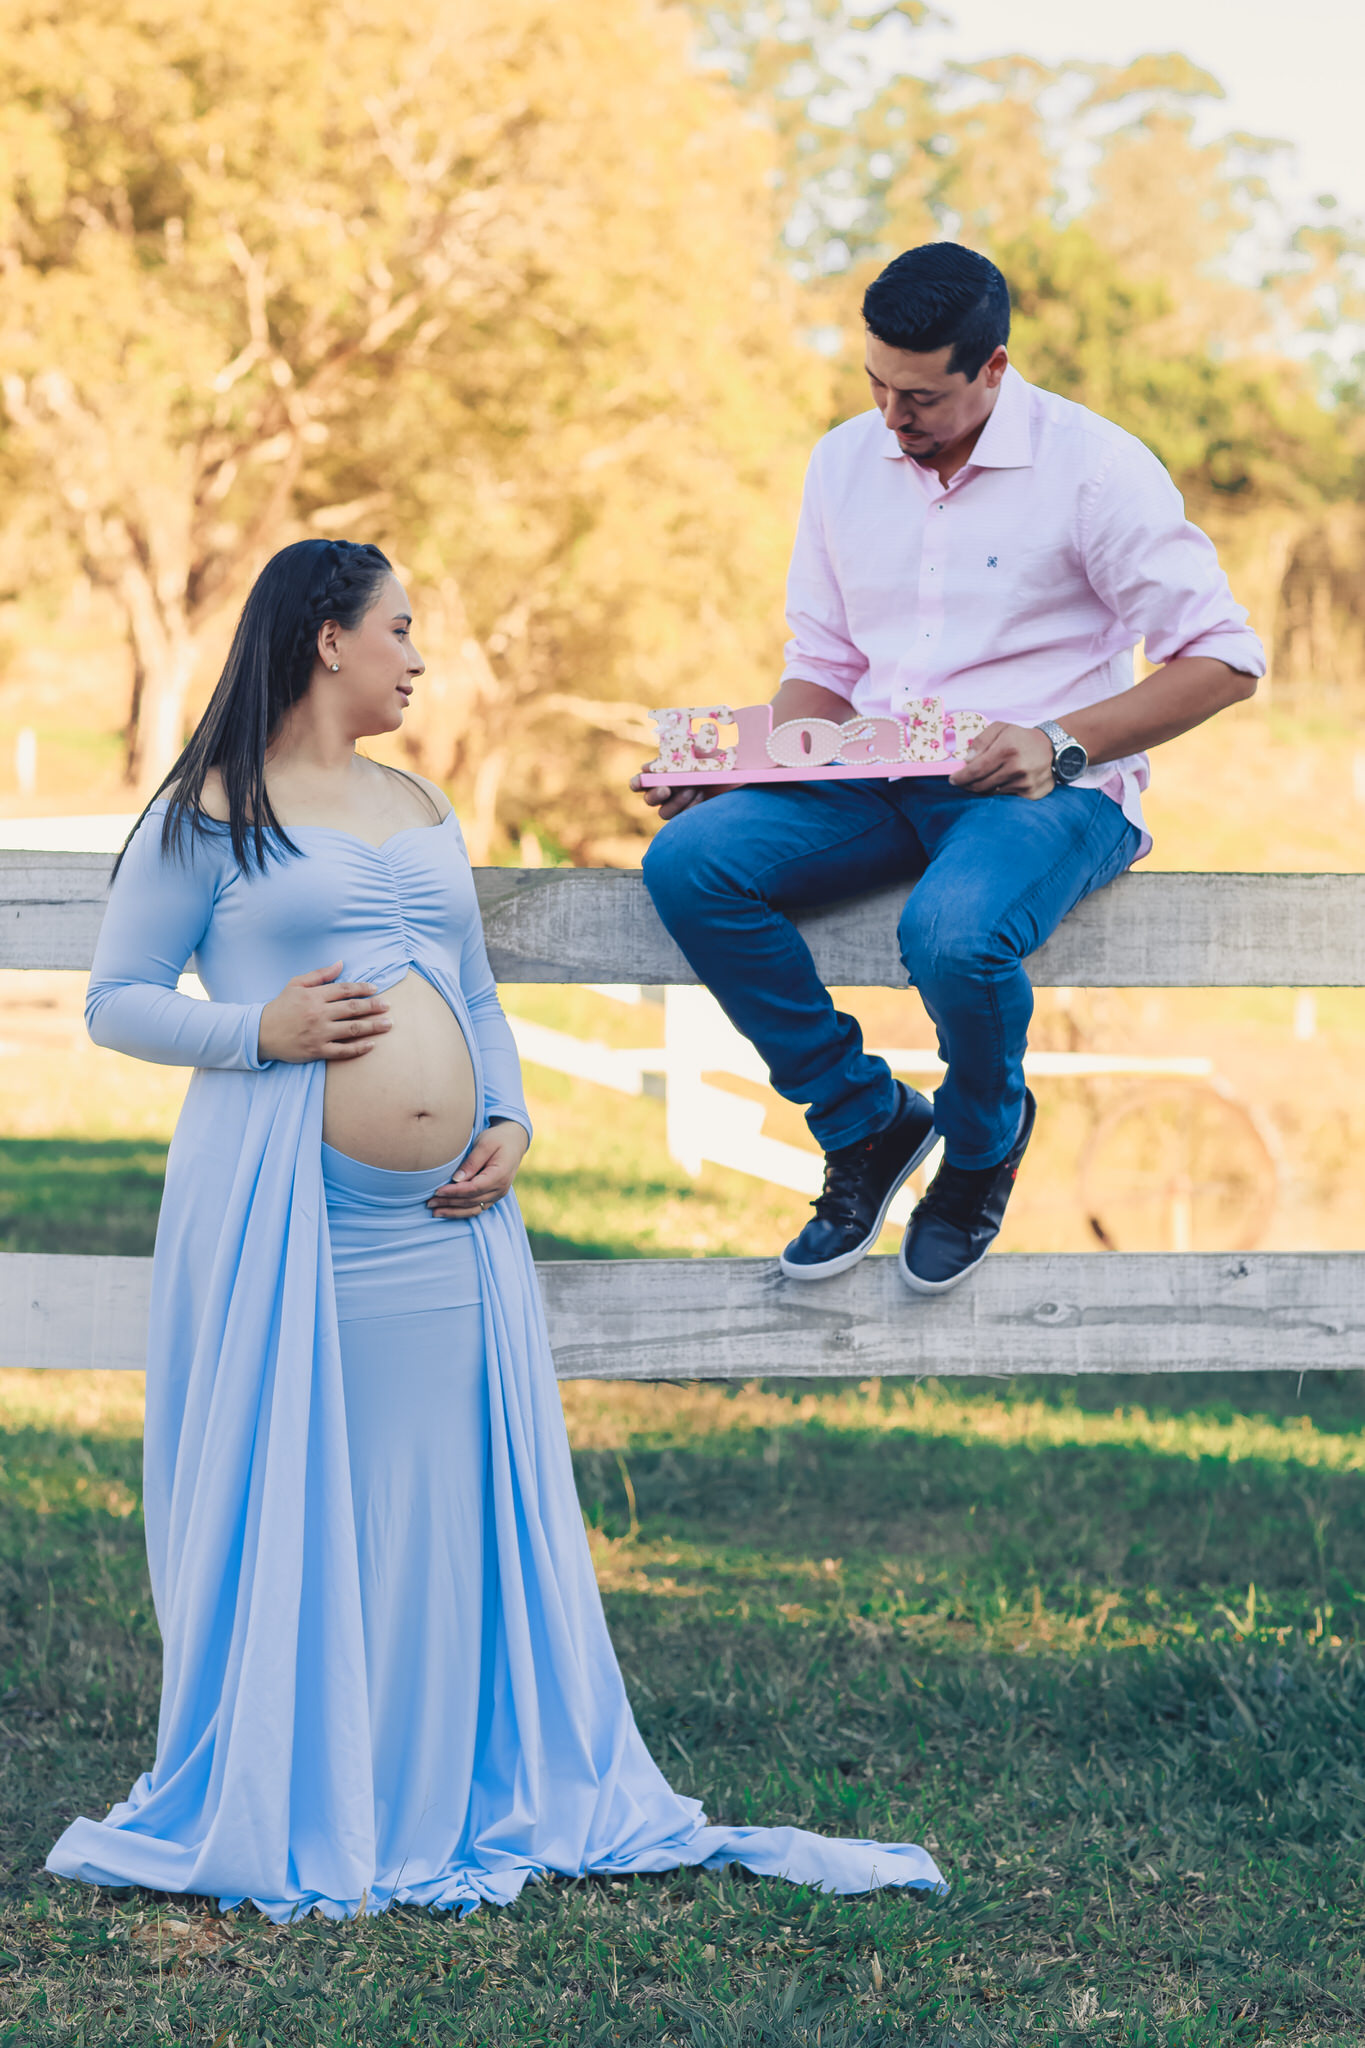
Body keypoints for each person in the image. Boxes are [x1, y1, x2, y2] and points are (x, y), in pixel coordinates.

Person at [45, 537, 943, 1920]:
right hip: (299, 1211)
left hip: (450, 1223)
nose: (418, 658)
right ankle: (323, 1783)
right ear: (327, 639)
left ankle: (441, 1777)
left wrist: (510, 1118)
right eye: (399, 630)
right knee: (316, 1491)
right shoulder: (211, 811)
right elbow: (117, 1000)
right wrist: (258, 1029)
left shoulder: (419, 801)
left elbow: (470, 993)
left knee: (443, 1500)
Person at [637, 243, 1265, 1295]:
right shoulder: (842, 463)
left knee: (953, 934)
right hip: (874, 775)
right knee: (691, 865)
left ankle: (979, 1147)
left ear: (993, 367)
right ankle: (865, 1121)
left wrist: (1057, 741)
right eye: (875, 385)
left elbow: (1225, 660)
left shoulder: (1095, 469)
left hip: (1052, 789)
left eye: (920, 396)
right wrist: (751, 763)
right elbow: (825, 665)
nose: (892, 417)